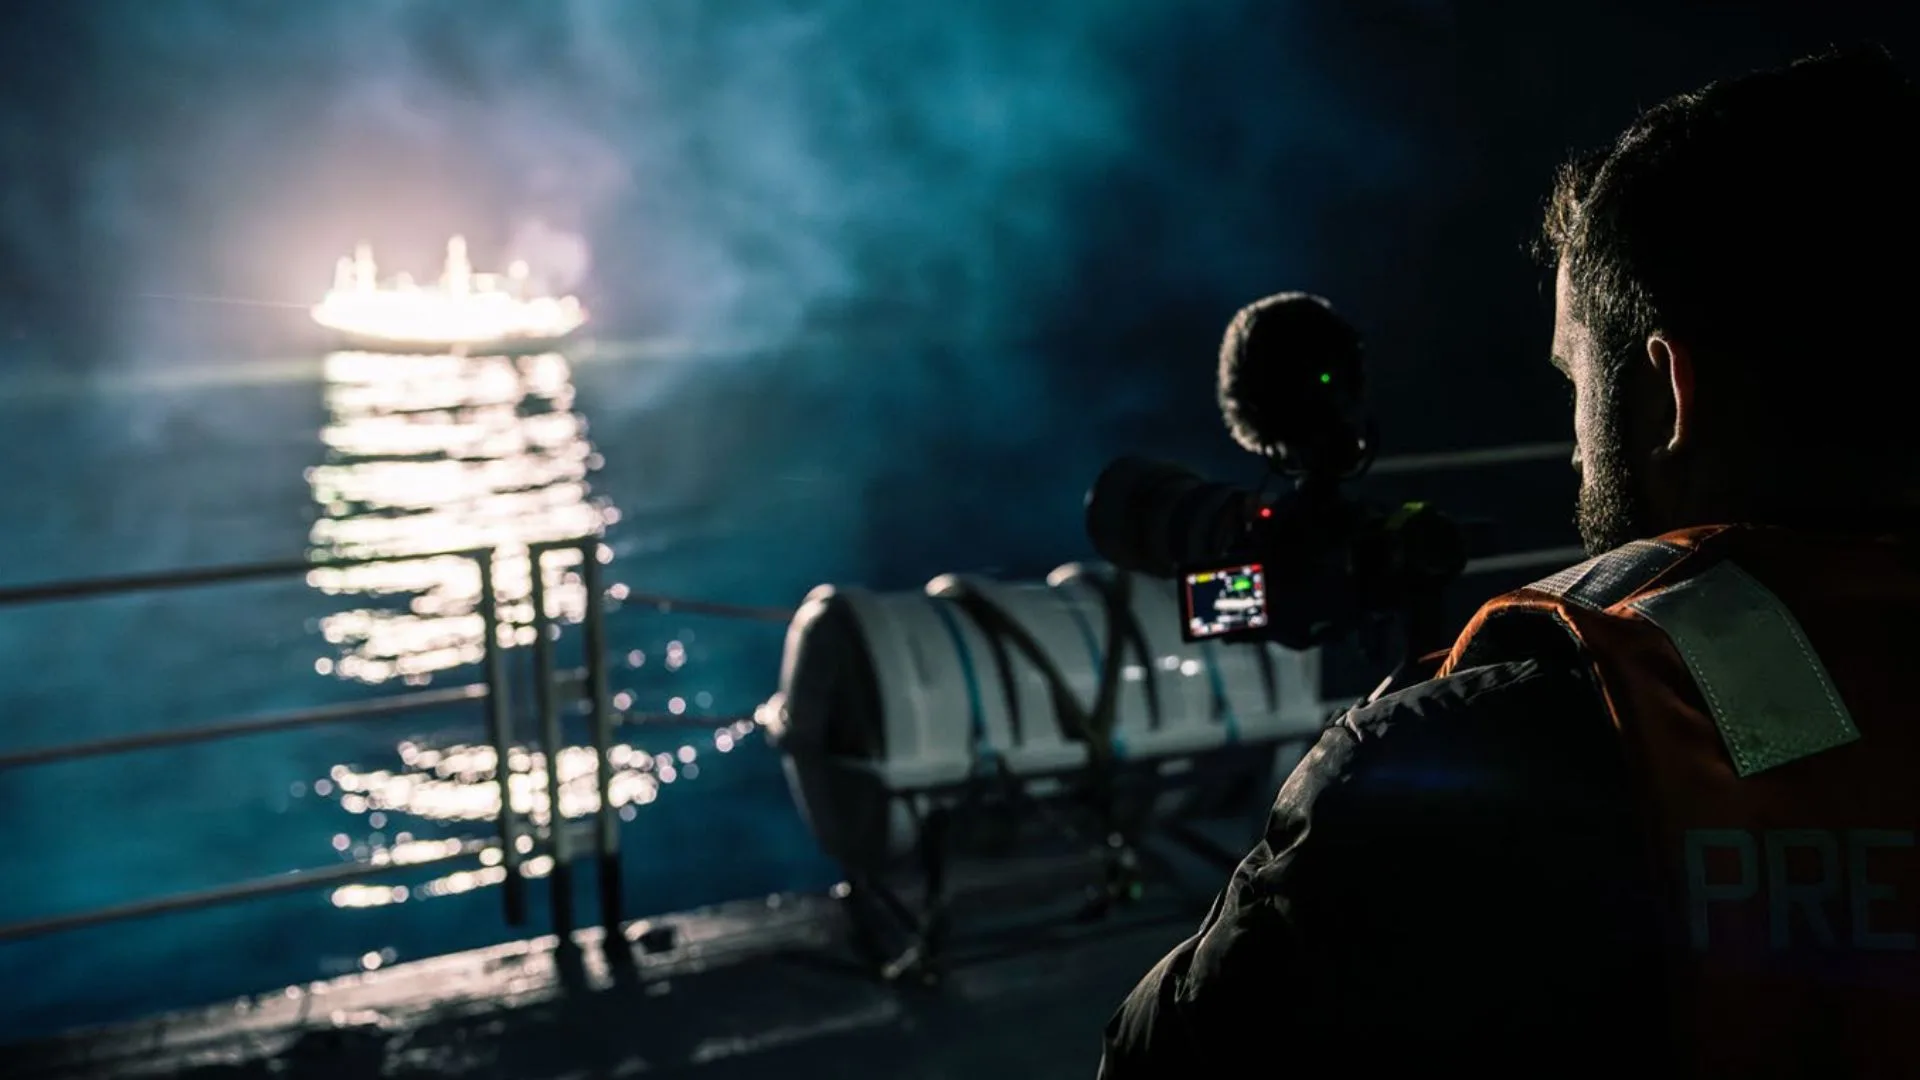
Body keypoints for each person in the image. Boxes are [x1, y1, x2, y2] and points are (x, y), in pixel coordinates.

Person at [1098, 47, 1920, 1076]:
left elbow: (1156, 1056)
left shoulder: (1471, 777)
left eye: (1576, 381)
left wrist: (1382, 752)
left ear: (1671, 391)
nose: (1575, 448)